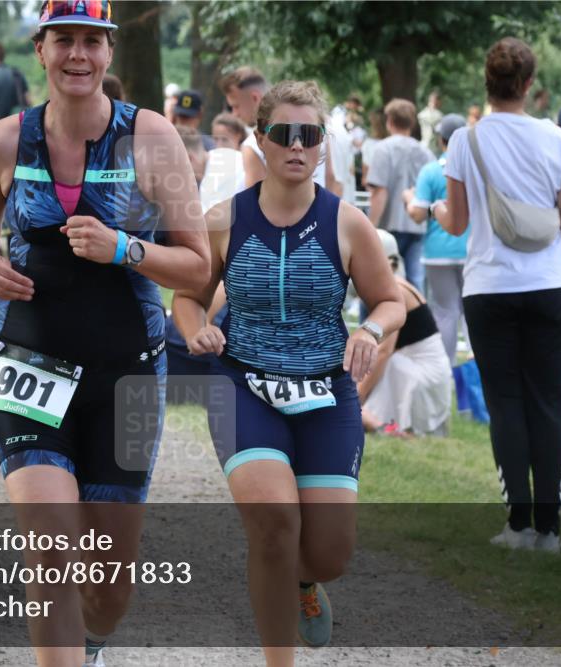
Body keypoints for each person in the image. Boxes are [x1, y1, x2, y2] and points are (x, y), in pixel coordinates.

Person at [0, 2, 210, 664]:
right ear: (39, 49)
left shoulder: (152, 139)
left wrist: (125, 248)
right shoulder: (7, 140)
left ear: (109, 53)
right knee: (49, 543)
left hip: (126, 376)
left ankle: (92, 643)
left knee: (108, 588)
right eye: (63, 39)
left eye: (91, 42)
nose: (77, 55)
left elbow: (197, 264)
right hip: (26, 363)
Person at [173, 80, 404, 662]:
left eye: (310, 136)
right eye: (284, 134)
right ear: (261, 139)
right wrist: (195, 326)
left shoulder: (348, 224)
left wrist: (369, 331)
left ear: (323, 144)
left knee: (328, 553)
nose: (296, 147)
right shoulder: (223, 219)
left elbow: (390, 300)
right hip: (243, 384)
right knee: (274, 525)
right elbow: (187, 297)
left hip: (326, 391)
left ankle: (306, 583)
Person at [435, 37, 561, 552]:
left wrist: (438, 213)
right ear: (530, 85)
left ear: (489, 81)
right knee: (548, 404)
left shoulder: (466, 140)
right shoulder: (558, 141)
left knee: (505, 403)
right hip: (549, 284)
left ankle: (518, 524)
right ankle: (550, 529)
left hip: (489, 286)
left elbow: (457, 223)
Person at [359, 230, 453, 436]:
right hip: (423, 374)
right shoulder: (395, 286)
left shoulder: (396, 291)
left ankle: (379, 424)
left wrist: (359, 394)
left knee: (386, 364)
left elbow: (384, 351)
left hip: (422, 377)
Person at [404, 113, 471, 362]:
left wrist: (408, 199)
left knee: (445, 313)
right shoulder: (473, 169)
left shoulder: (431, 171)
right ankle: (476, 371)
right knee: (471, 313)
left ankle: (447, 370)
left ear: (441, 140)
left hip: (437, 253)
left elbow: (418, 214)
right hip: (471, 250)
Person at [366, 98, 435, 290]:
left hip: (389, 226)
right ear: (412, 123)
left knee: (378, 281)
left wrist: (370, 226)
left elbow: (379, 191)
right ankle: (417, 319)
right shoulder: (426, 152)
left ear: (389, 120)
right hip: (418, 225)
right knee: (414, 281)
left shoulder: (383, 149)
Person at [417, 90, 443, 155]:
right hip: (433, 147)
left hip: (424, 145)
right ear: (438, 101)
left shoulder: (421, 114)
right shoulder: (439, 115)